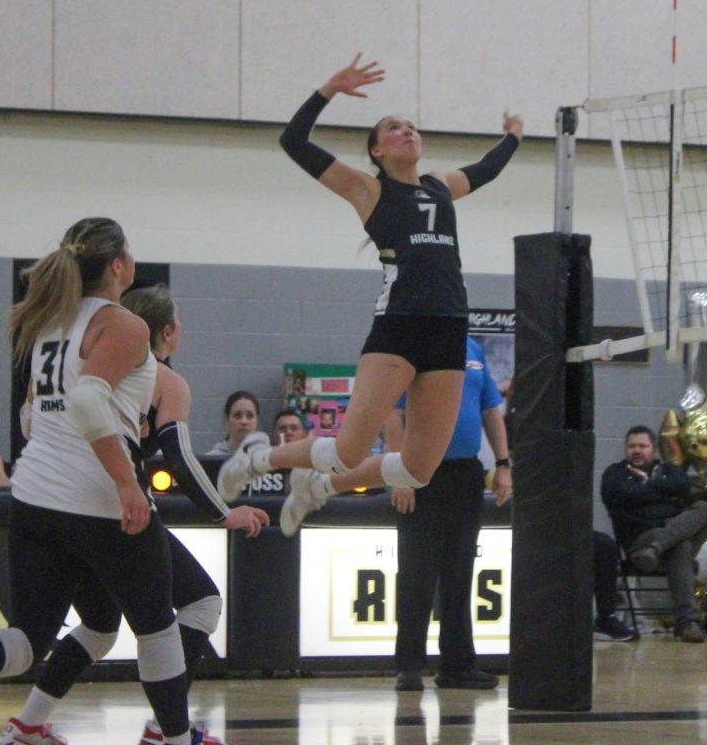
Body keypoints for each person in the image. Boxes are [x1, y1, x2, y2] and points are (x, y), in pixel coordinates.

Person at [0, 218, 196, 745]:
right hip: (97, 500)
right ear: (117, 265)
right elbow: (89, 401)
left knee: (28, 639)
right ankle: (176, 740)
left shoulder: (51, 322)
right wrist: (126, 482)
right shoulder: (121, 324)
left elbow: (30, 419)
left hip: (33, 498)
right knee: (158, 628)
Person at [218, 55, 522, 533]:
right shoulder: (366, 190)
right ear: (376, 150)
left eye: (412, 127)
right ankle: (260, 457)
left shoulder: (440, 186)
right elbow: (292, 141)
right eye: (394, 128)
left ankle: (317, 488)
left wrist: (514, 137)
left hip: (450, 329)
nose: (407, 132)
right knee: (348, 450)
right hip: (399, 325)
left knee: (418, 470)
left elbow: (487, 169)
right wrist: (328, 90)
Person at [0, 284, 267, 745]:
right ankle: (166, 729)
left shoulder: (78, 363)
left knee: (99, 627)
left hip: (58, 506)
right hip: (116, 510)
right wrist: (224, 513)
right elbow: (180, 459)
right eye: (179, 321)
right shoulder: (165, 379)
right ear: (166, 331)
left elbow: (30, 422)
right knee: (200, 603)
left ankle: (27, 723)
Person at [384, 335, 512, 691]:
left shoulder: (473, 351)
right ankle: (409, 665)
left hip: (465, 474)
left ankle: (457, 665)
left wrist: (503, 464)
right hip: (420, 472)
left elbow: (491, 410)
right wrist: (400, 472)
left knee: (460, 573)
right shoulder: (411, 347)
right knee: (416, 572)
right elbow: (393, 414)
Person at [600, 425, 707, 643]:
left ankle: (659, 546)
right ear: (626, 449)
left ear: (654, 450)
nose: (637, 450)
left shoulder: (670, 470)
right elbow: (622, 495)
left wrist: (647, 489)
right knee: (680, 545)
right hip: (640, 543)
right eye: (632, 446)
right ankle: (687, 622)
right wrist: (662, 491)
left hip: (660, 545)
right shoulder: (615, 474)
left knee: (704, 509)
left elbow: (684, 488)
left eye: (643, 446)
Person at [205, 391, 259, 456]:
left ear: (257, 419)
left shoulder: (268, 458)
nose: (244, 421)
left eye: (250, 415)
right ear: (227, 419)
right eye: (237, 415)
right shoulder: (211, 458)